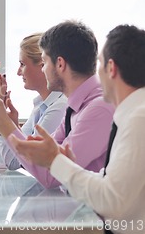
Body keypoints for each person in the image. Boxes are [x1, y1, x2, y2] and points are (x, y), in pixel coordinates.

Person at [9, 24, 145, 234]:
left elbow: (111, 200)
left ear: (111, 69)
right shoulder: (131, 115)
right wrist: (60, 161)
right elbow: (110, 183)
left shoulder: (138, 119)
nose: (95, 74)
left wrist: (56, 161)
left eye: (99, 64)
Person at [0, 20, 114, 188]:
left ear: (60, 64)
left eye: (45, 63)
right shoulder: (75, 106)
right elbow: (40, 157)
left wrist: (3, 124)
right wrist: (3, 124)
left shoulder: (99, 108)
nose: (43, 69)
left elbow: (51, 176)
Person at [0, 33, 67, 169]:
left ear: (43, 66)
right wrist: (0, 117)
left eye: (22, 64)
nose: (19, 72)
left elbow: (15, 163)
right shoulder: (41, 105)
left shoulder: (60, 108)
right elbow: (5, 159)